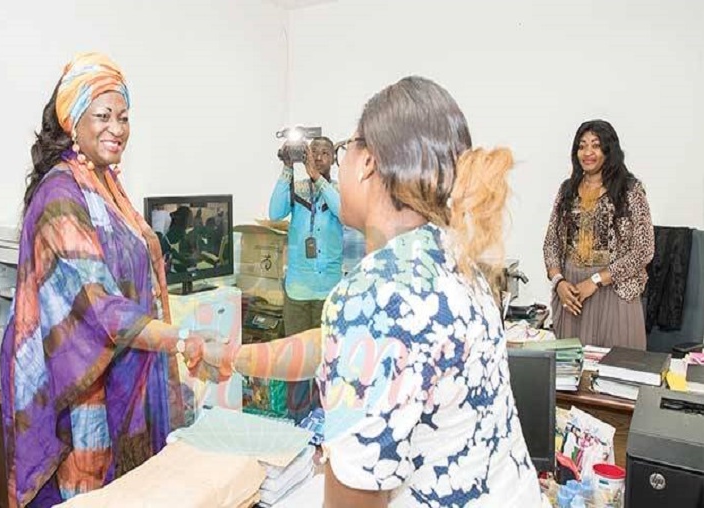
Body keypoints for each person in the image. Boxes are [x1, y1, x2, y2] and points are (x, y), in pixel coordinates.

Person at [209, 76, 544, 507]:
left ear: (368, 163)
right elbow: (334, 347)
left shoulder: (376, 294)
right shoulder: (455, 259)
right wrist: (232, 356)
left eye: (347, 150)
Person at [0, 52, 220, 507]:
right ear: (72, 121)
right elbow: (97, 305)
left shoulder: (106, 184)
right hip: (79, 390)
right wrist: (180, 338)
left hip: (127, 373)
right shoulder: (61, 194)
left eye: (123, 117)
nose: (117, 128)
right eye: (102, 116)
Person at [543, 120, 654, 350]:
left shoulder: (630, 190)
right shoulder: (567, 190)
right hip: (572, 297)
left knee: (616, 375)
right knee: (570, 376)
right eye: (582, 146)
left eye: (595, 145)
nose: (588, 152)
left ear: (608, 150)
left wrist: (595, 280)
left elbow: (644, 250)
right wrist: (559, 282)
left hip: (613, 293)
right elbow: (551, 243)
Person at [268, 135, 343, 422]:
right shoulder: (296, 189)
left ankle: (324, 418)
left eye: (326, 152)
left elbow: (345, 214)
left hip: (328, 293)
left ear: (333, 158)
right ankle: (298, 419)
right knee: (296, 359)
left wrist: (318, 179)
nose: (320, 157)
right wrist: (288, 168)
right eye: (315, 152)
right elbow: (275, 212)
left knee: (326, 360)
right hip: (298, 291)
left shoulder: (337, 191)